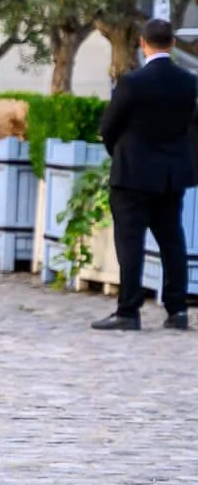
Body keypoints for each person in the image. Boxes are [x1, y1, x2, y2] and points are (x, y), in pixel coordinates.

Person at [93, 18, 196, 332]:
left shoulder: (132, 83)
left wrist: (121, 153)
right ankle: (177, 310)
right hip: (171, 174)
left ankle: (128, 310)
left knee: (130, 242)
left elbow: (107, 127)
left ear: (142, 43)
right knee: (172, 240)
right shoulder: (189, 82)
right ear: (173, 44)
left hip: (132, 174)